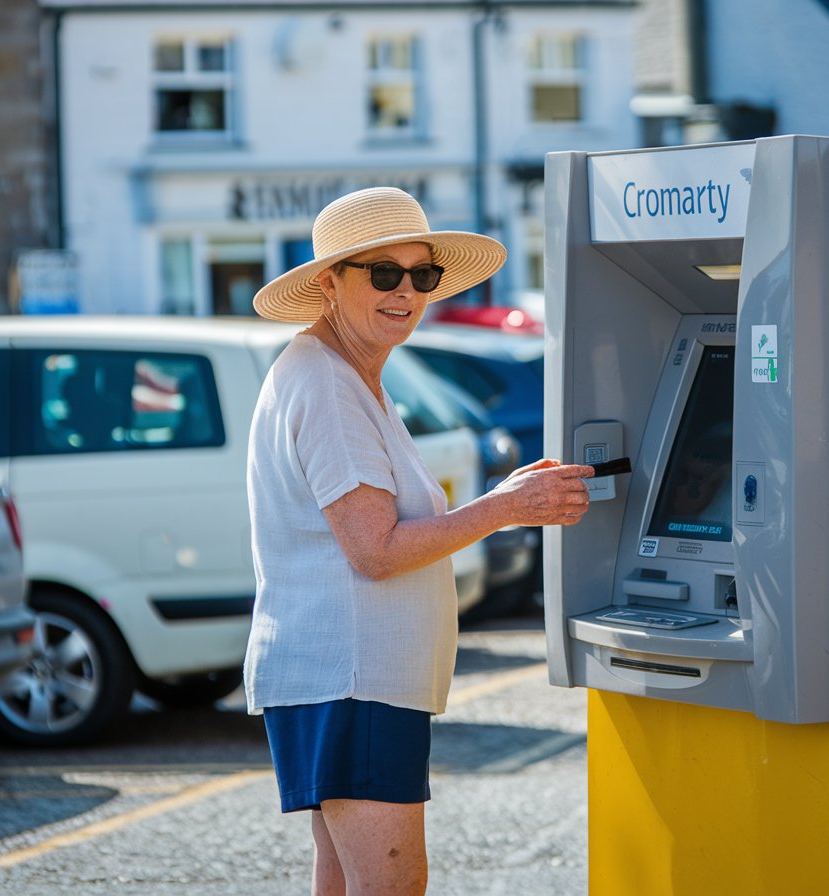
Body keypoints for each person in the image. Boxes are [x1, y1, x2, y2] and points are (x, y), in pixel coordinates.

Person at [243, 186, 593, 896]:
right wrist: (503, 508)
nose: (406, 290)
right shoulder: (329, 385)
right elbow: (376, 551)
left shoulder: (340, 372)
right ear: (329, 283)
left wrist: (502, 500)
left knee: (346, 881)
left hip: (344, 678)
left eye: (421, 274)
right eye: (383, 273)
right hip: (354, 679)